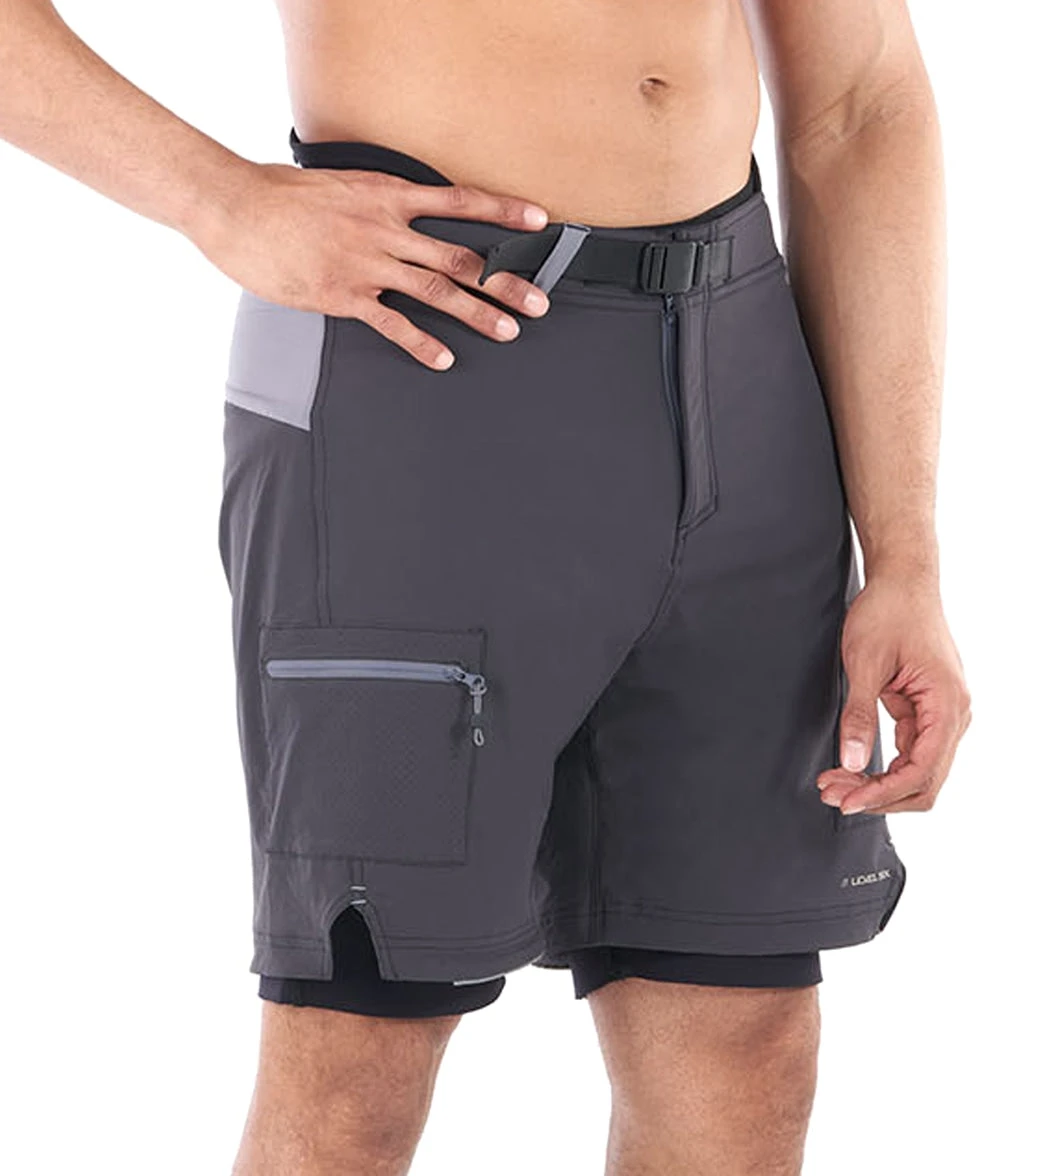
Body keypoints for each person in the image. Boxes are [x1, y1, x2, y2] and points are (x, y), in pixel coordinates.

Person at [0, 1, 972, 1172]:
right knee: (359, 1053)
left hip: (746, 377)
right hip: (422, 359)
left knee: (744, 1040)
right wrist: (218, 198)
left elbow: (859, 104)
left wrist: (904, 551)